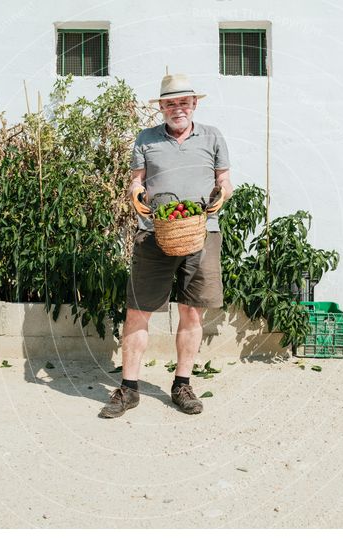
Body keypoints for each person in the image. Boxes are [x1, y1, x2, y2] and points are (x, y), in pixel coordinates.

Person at [99, 73, 233, 418]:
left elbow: (224, 180)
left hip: (202, 230)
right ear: (161, 107)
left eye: (183, 102)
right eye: (170, 103)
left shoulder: (213, 136)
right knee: (137, 309)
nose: (178, 108)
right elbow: (136, 182)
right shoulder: (146, 139)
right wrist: (136, 196)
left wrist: (221, 196)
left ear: (194, 104)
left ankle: (182, 384)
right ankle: (129, 389)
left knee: (192, 309)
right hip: (153, 231)